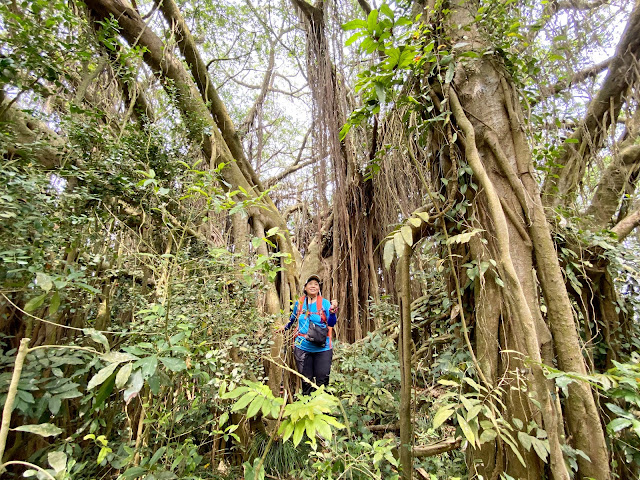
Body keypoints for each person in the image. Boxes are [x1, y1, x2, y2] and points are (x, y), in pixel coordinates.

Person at [281, 274, 338, 395]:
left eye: (316, 284)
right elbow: (292, 319)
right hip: (302, 348)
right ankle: (307, 408)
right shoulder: (300, 303)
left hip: (322, 348)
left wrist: (332, 313)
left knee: (322, 382)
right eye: (310, 284)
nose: (313, 286)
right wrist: (284, 328)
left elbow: (331, 323)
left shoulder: (325, 303)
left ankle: (322, 410)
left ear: (319, 288)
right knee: (306, 382)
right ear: (305, 287)